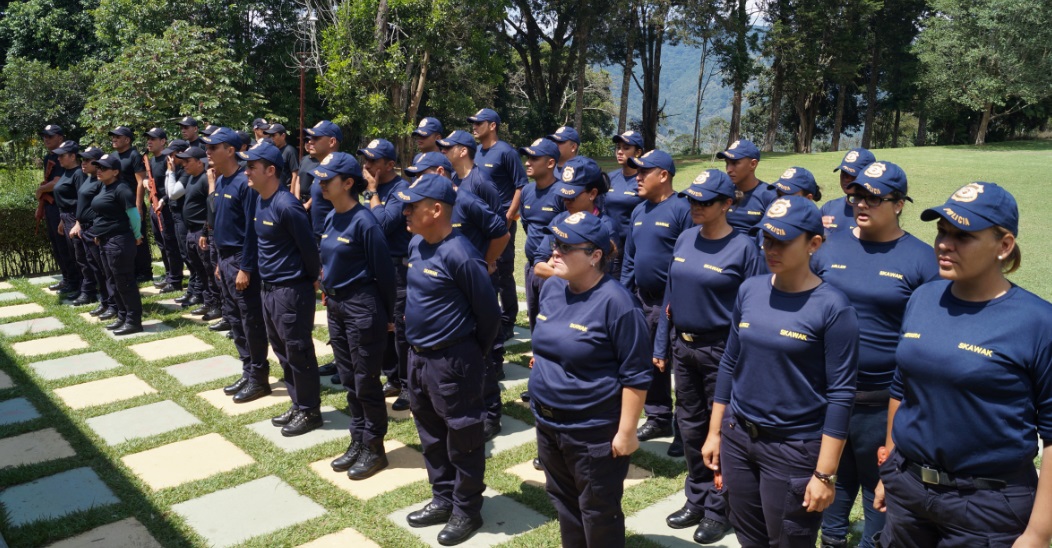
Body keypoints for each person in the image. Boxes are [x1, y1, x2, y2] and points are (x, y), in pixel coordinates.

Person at [873, 182, 1052, 548]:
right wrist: (891, 469)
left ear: (1004, 245)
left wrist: (1037, 533)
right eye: (942, 231)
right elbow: (901, 387)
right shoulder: (922, 298)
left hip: (987, 504)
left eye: (963, 236)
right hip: (908, 491)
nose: (943, 243)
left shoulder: (1038, 322)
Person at [702, 195, 859, 547]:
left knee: (788, 540)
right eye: (766, 239)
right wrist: (716, 432)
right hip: (739, 437)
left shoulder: (833, 308)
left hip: (794, 448)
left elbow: (841, 394)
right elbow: (730, 362)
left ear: (813, 244)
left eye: (783, 241)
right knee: (749, 537)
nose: (770, 248)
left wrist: (825, 474)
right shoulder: (750, 290)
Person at [810, 161, 938, 548]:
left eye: (873, 198)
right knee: (830, 475)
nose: (861, 204)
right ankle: (831, 540)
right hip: (827, 394)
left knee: (880, 485)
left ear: (899, 204)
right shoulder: (831, 246)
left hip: (882, 402)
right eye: (856, 195)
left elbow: (930, 334)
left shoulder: (920, 259)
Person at [654, 169, 763, 544]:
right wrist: (661, 344)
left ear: (727, 204)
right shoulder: (685, 238)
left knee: (722, 433)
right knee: (689, 426)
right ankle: (696, 497)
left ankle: (721, 509)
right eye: (692, 199)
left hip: (723, 350)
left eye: (705, 201)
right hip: (683, 347)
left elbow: (753, 307)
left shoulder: (745, 248)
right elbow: (670, 296)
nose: (695, 206)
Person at [529, 211, 651, 547]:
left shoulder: (619, 305)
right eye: (555, 243)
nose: (555, 252)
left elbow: (636, 376)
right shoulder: (553, 287)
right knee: (565, 505)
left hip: (591, 432)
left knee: (598, 513)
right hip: (549, 424)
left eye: (566, 246)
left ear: (596, 255)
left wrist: (626, 433)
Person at [401, 173, 501, 546]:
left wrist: (470, 353)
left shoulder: (461, 253)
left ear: (437, 209)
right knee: (431, 436)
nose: (405, 212)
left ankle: (466, 509)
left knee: (464, 438)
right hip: (419, 359)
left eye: (413, 206)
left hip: (453, 362)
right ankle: (442, 498)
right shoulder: (415, 244)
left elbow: (489, 315)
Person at [405, 152, 511, 442]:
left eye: (422, 174)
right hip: (443, 299)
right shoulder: (418, 241)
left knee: (480, 365)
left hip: (468, 289)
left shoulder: (465, 202)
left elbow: (501, 232)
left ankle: (490, 413)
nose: (416, 180)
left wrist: (486, 263)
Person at [314, 152, 397, 478]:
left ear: (348, 183)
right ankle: (358, 438)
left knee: (365, 381)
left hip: (363, 307)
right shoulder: (332, 216)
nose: (321, 184)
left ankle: (375, 448)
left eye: (327, 179)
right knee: (349, 379)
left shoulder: (366, 223)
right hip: (336, 307)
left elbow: (385, 274)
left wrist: (389, 316)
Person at [240, 141, 323, 436]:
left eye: (252, 167)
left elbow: (309, 249)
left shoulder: (287, 206)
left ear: (271, 170)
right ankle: (298, 403)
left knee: (298, 350)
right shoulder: (259, 199)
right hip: (269, 289)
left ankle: (311, 410)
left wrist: (312, 279)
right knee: (282, 350)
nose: (246, 171)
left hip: (291, 290)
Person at [620, 150, 693, 445]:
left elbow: (689, 258)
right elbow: (629, 258)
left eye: (643, 173)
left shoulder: (682, 209)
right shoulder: (639, 211)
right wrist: (624, 296)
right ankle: (659, 417)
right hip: (642, 300)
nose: (636, 178)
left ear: (663, 175)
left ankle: (684, 428)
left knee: (679, 365)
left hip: (674, 302)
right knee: (651, 362)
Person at [204, 128, 271, 403]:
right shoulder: (221, 181)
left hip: (241, 261)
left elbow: (251, 231)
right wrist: (220, 260)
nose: (207, 152)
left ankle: (259, 378)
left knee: (250, 320)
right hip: (225, 259)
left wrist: (245, 267)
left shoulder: (245, 183)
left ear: (230, 151)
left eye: (213, 147)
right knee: (235, 320)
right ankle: (247, 370)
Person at [359, 138, 412, 405]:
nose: (366, 165)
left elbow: (382, 225)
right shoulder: (374, 186)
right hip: (376, 265)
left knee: (400, 329)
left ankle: (407, 385)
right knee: (383, 326)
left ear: (390, 164)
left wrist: (371, 191)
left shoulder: (400, 189)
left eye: (373, 161)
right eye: (365, 159)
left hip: (397, 268)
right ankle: (391, 377)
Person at [469, 108, 528, 341]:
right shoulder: (475, 153)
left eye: (478, 122)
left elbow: (521, 185)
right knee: (483, 268)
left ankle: (508, 320)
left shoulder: (506, 152)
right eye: (473, 123)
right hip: (478, 222)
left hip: (499, 222)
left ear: (492, 125)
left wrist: (509, 215)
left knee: (503, 270)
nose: (474, 126)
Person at [89, 154, 145, 336]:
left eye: (103, 168)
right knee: (112, 281)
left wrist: (137, 235)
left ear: (115, 171)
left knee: (124, 281)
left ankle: (133, 321)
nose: (99, 171)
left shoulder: (122, 189)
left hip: (119, 241)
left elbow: (134, 216)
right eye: (98, 167)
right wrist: (99, 233)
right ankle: (122, 316)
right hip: (106, 240)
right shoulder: (105, 187)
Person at [533, 155, 613, 280]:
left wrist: (553, 266)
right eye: (563, 195)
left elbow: (597, 274)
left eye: (571, 196)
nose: (566, 201)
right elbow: (538, 265)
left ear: (592, 194)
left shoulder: (605, 226)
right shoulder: (559, 219)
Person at [517, 138, 563, 330]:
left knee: (553, 321)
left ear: (550, 163)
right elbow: (527, 226)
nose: (527, 162)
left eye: (534, 158)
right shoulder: (526, 191)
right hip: (531, 268)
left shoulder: (562, 193)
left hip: (553, 270)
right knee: (534, 320)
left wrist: (550, 260)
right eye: (527, 158)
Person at [175, 147, 222, 322]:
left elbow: (211, 208)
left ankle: (217, 304)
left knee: (210, 269)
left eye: (188, 161)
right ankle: (208, 300)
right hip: (190, 231)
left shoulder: (205, 180)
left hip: (202, 232)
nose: (184, 164)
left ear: (199, 162)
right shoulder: (192, 179)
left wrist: (204, 231)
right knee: (199, 269)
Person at [73, 146, 114, 318]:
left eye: (87, 160)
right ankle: (104, 301)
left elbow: (103, 208)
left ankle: (113, 305)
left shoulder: (100, 182)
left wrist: (97, 230)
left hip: (95, 229)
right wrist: (78, 222)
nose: (83, 163)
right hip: (86, 229)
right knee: (95, 268)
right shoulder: (88, 178)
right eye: (82, 159)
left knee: (106, 270)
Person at [35, 124, 77, 295]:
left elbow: (57, 182)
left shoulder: (64, 157)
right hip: (51, 206)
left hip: (64, 206)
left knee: (66, 246)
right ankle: (67, 278)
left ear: (60, 137)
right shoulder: (49, 157)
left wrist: (40, 190)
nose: (46, 139)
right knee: (57, 245)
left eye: (50, 136)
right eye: (44, 136)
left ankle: (75, 281)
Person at [109, 125, 152, 282]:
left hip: (133, 204)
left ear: (127, 140)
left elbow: (140, 182)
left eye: (117, 136)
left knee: (138, 237)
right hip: (118, 205)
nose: (114, 139)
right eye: (113, 136)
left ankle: (145, 272)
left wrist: (139, 206)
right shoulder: (113, 156)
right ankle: (132, 270)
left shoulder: (134, 155)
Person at [144, 127, 184, 293]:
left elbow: (175, 182)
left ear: (163, 141)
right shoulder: (151, 161)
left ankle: (175, 279)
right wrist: (146, 181)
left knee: (170, 244)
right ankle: (168, 275)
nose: (149, 142)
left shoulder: (169, 160)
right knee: (161, 243)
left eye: (153, 139)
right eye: (148, 139)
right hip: (154, 206)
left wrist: (164, 200)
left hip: (166, 207)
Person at [49, 140, 88, 304]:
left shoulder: (78, 173)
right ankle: (78, 285)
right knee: (72, 255)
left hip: (74, 217)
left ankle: (87, 290)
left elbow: (82, 199)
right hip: (65, 216)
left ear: (73, 156)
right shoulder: (66, 172)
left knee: (81, 256)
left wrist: (78, 222)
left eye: (62, 156)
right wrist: (61, 220)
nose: (59, 159)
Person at [604, 130, 645, 280]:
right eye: (618, 147)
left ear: (638, 152)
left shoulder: (643, 180)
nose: (620, 152)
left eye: (626, 148)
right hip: (610, 248)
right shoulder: (610, 178)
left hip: (633, 249)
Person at [717, 138, 776, 235]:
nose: (728, 169)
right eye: (727, 163)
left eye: (735, 163)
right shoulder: (722, 193)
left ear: (753, 164)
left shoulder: (769, 196)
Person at [821, 148, 875, 235]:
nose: (847, 179)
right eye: (844, 173)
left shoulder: (876, 211)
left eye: (853, 174)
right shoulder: (829, 207)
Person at [264, 123, 300, 192]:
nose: (272, 138)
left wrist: (291, 194)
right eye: (270, 136)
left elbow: (295, 174)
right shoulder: (272, 151)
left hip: (285, 190)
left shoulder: (290, 151)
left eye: (274, 135)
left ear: (283, 136)